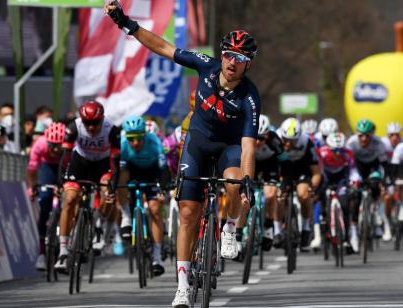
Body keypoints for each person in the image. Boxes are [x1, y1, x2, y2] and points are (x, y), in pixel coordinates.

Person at [104, 3, 260, 306]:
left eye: (240, 58)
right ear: (222, 54)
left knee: (234, 182)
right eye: (228, 54)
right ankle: (184, 285)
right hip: (198, 142)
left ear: (248, 64)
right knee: (188, 212)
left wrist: (248, 181)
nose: (232, 61)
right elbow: (163, 46)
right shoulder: (207, 66)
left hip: (229, 148)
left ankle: (229, 228)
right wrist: (125, 23)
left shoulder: (250, 98)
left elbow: (248, 146)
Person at [55, 101, 121, 272]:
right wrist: (60, 181)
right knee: (69, 200)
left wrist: (112, 187)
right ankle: (63, 251)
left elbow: (115, 162)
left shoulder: (112, 130)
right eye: (87, 123)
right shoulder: (74, 127)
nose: (91, 127)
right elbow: (65, 157)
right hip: (80, 163)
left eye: (95, 123)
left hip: (103, 164)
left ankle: (99, 224)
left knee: (107, 192)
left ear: (102, 119)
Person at [117, 115, 167, 276]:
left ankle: (157, 257)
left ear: (144, 135)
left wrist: (162, 189)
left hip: (152, 173)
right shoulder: (123, 144)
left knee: (155, 210)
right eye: (131, 139)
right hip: (132, 172)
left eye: (139, 138)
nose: (136, 143)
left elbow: (164, 169)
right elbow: (117, 171)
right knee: (121, 177)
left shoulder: (153, 141)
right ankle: (126, 216)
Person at [277, 118, 321, 252]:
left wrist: (312, 188)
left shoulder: (307, 142)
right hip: (283, 170)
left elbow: (316, 171)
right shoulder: (276, 139)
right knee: (278, 196)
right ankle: (279, 229)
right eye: (285, 139)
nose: (287, 144)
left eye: (292, 141)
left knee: (303, 194)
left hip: (302, 169)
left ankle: (307, 227)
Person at [26, 122, 66, 270]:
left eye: (58, 145)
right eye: (52, 145)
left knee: (69, 200)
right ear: (47, 141)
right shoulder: (40, 145)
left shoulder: (69, 146)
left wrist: (64, 185)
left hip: (64, 163)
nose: (55, 149)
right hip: (47, 166)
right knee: (45, 201)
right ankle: (42, 253)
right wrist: (31, 187)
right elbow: (31, 170)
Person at [346, 119, 388, 252]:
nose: (364, 139)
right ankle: (353, 231)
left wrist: (383, 180)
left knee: (376, 183)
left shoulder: (379, 143)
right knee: (355, 195)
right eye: (361, 136)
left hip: (373, 167)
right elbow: (347, 164)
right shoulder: (351, 143)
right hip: (357, 167)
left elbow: (384, 165)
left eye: (367, 136)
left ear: (372, 135)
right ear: (357, 135)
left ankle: (375, 212)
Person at [313, 132, 361, 249]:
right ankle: (322, 220)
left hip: (341, 179)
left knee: (345, 204)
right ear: (329, 148)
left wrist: (355, 182)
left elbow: (353, 171)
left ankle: (346, 237)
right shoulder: (322, 153)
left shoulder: (348, 154)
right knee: (319, 196)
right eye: (334, 150)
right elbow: (317, 170)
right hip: (326, 177)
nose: (338, 153)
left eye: (340, 149)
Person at [253, 114, 283, 250]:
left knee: (270, 195)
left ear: (268, 135)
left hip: (269, 164)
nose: (258, 142)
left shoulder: (275, 140)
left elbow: (284, 161)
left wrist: (284, 181)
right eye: (256, 138)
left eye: (262, 138)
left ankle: (268, 227)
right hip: (251, 162)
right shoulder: (244, 136)